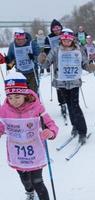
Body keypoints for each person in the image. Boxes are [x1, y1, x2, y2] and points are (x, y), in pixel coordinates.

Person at [0, 72, 58, 200]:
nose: (13, 101)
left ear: (25, 94)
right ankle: (30, 192)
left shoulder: (37, 108)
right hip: (17, 154)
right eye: (10, 97)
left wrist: (51, 132)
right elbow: (1, 126)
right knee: (26, 180)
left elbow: (51, 125)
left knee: (38, 181)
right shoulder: (3, 110)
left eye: (17, 97)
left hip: (35, 153)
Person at [39, 28, 95, 144]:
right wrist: (42, 59)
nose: (66, 42)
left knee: (75, 105)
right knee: (69, 105)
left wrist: (90, 67)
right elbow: (46, 64)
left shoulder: (78, 49)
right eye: (64, 40)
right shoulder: (56, 50)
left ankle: (82, 131)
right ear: (61, 40)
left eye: (68, 40)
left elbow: (84, 63)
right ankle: (74, 125)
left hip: (74, 82)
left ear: (72, 40)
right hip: (61, 82)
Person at [42, 19, 67, 116]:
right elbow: (47, 50)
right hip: (57, 63)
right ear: (52, 29)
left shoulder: (65, 33)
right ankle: (62, 104)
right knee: (59, 83)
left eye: (58, 27)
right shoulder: (49, 38)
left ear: (61, 27)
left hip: (68, 61)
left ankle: (70, 101)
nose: (57, 29)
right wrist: (48, 58)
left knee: (69, 82)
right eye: (54, 28)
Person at [5, 29, 40, 93]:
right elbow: (11, 59)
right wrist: (8, 62)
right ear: (15, 39)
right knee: (22, 93)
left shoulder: (32, 44)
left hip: (32, 71)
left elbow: (40, 57)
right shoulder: (12, 46)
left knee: (33, 92)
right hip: (20, 73)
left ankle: (35, 102)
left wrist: (34, 57)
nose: (20, 42)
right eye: (18, 40)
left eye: (22, 39)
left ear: (25, 38)